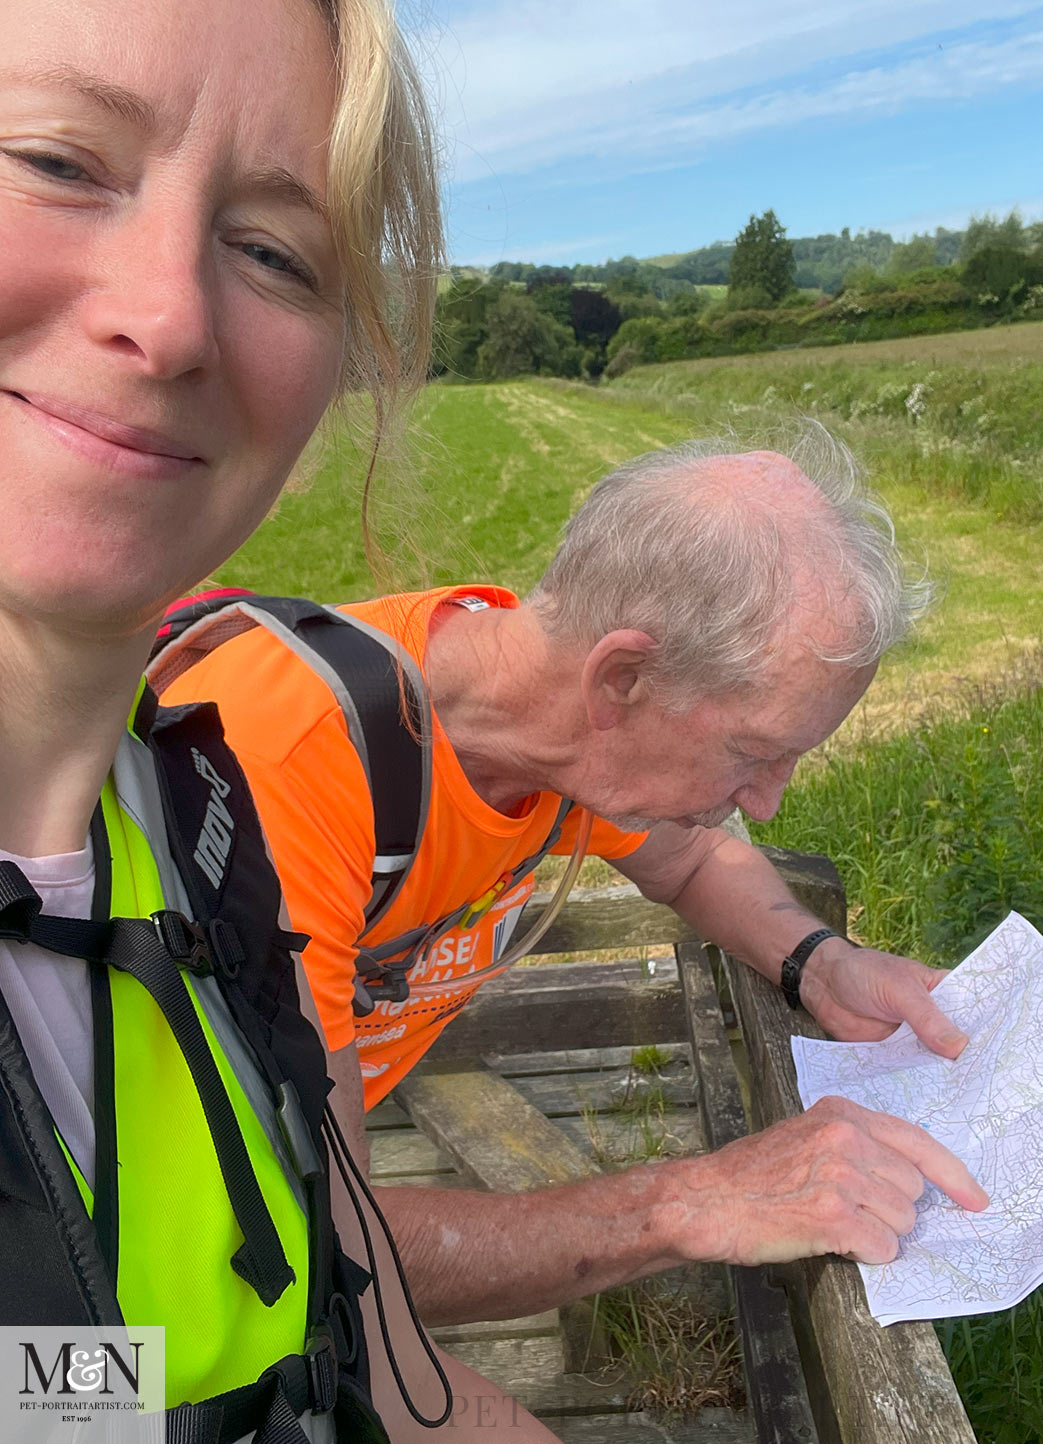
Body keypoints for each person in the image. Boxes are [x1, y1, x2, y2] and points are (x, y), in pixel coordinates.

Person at [0, 0, 564, 1437]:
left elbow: (228, 1348)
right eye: (58, 161)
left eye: (273, 254)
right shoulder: (292, 761)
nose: (172, 315)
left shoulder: (187, 816)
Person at [159, 435, 991, 1330]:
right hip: (110, 1299)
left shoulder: (550, 714)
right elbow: (319, 1241)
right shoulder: (286, 767)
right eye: (754, 753)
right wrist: (692, 1202)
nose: (771, 803)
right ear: (620, 678)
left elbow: (694, 858)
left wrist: (823, 967)